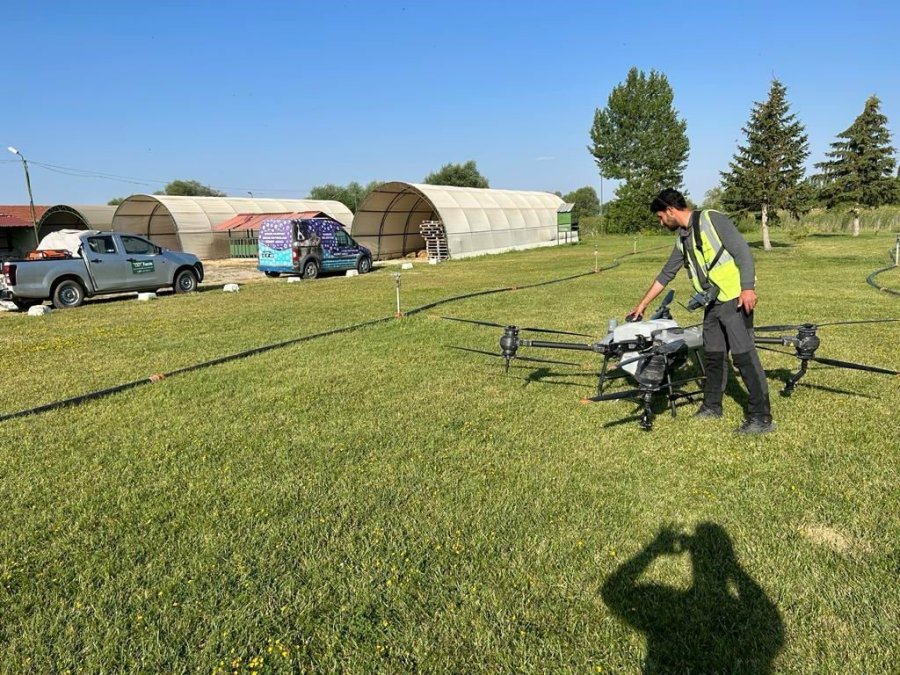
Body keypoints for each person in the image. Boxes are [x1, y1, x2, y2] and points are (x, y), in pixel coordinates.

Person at [628, 188, 775, 434]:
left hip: (735, 298)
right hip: (713, 303)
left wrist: (748, 288)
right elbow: (666, 274)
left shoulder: (712, 219)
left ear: (670, 210)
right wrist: (642, 305)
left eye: (661, 217)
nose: (661, 223)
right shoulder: (683, 239)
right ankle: (712, 406)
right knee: (713, 355)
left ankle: (761, 417)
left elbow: (742, 251)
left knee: (744, 357)